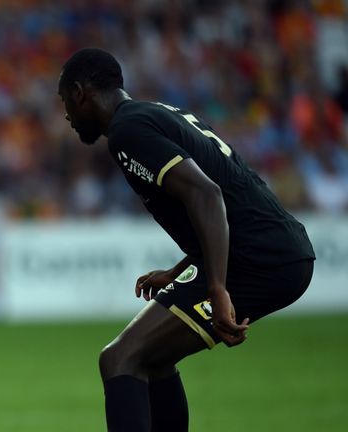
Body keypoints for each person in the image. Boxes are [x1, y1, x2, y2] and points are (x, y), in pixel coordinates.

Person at [57, 48, 315, 431]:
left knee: (119, 359)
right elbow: (227, 197)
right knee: (153, 360)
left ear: (80, 92)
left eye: (65, 102)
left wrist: (217, 288)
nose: (66, 116)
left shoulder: (128, 131)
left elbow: (207, 195)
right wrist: (182, 269)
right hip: (275, 247)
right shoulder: (155, 113)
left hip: (261, 259)